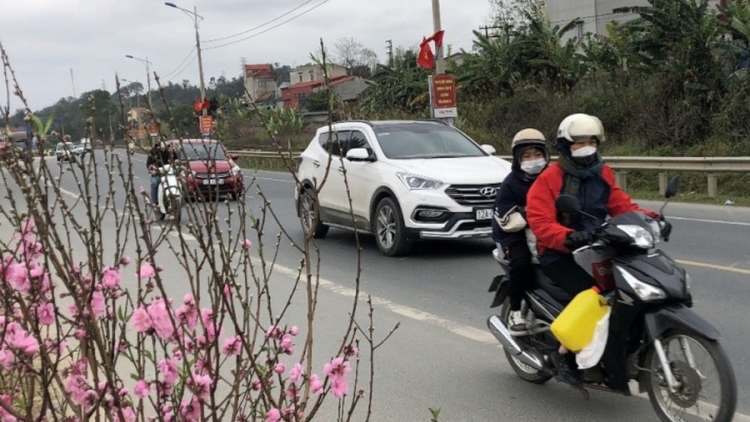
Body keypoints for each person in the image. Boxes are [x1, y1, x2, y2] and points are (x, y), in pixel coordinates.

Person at [526, 113, 660, 389]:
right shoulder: (550, 178)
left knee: (630, 289)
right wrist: (570, 236)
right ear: (565, 146)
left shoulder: (602, 173)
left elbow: (622, 206)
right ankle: (563, 354)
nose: (586, 147)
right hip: (560, 252)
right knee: (595, 296)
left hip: (598, 247)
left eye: (591, 142)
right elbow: (540, 222)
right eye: (578, 143)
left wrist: (652, 219)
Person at [491, 128, 550, 336]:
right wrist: (533, 214)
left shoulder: (552, 178)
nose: (533, 160)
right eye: (527, 156)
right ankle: (516, 311)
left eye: (537, 155)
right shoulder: (511, 183)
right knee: (521, 262)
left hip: (547, 230)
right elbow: (506, 217)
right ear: (518, 158)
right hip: (513, 233)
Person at [146, 138, 177, 205]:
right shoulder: (153, 152)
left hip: (169, 174)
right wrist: (152, 168)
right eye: (161, 140)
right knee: (154, 183)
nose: (163, 142)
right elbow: (149, 163)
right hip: (157, 174)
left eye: (165, 140)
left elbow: (176, 160)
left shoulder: (171, 151)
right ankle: (155, 202)